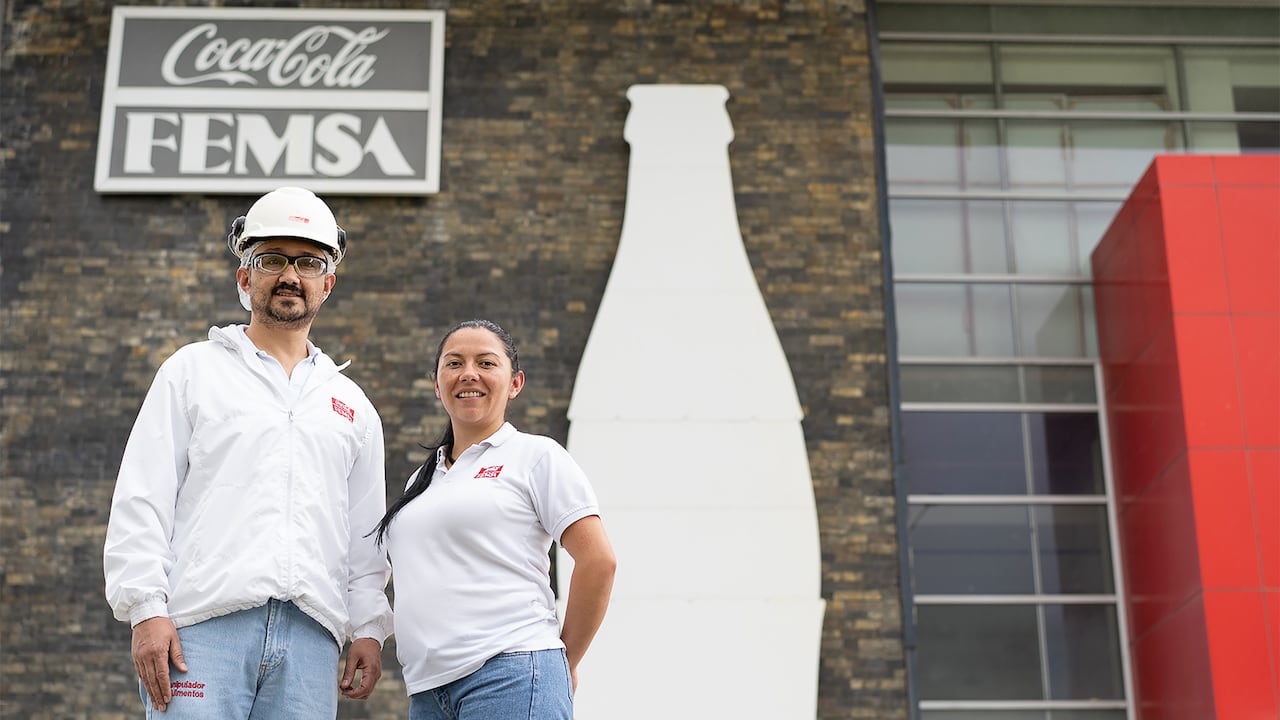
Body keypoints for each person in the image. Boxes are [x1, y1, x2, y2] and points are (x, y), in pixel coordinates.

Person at [103, 186, 393, 718]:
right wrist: (145, 608)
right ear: (245, 277)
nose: (291, 275)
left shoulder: (352, 407)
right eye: (273, 260)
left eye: (309, 262)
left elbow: (365, 537)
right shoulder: (192, 372)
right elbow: (143, 496)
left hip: (311, 642)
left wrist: (370, 628)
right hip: (200, 635)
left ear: (327, 283)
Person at [371, 319, 616, 720]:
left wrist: (564, 658)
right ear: (437, 384)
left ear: (515, 383)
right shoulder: (422, 479)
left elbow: (599, 562)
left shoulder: (536, 455)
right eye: (454, 364)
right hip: (428, 693)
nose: (469, 373)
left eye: (486, 363)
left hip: (511, 672)